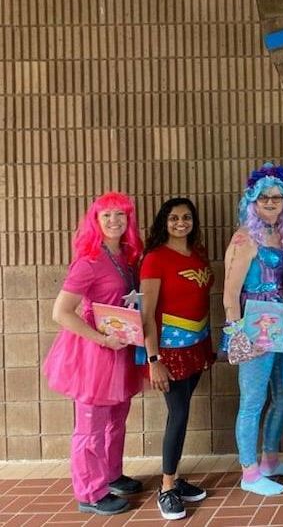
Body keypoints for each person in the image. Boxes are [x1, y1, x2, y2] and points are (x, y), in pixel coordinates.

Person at [42, 192, 145, 516]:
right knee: (90, 425)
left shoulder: (127, 255)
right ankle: (89, 492)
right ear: (95, 221)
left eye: (121, 215)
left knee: (117, 418)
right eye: (107, 216)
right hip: (93, 355)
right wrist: (100, 339)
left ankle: (112, 474)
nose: (114, 221)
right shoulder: (88, 260)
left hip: (120, 349)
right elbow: (61, 312)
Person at [221, 163, 283, 495]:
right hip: (254, 324)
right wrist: (238, 332)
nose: (270, 202)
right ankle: (249, 472)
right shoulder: (245, 238)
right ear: (252, 201)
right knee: (253, 399)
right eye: (263, 197)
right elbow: (229, 293)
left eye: (277, 197)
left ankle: (270, 459)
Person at [139, 198, 217, 519]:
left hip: (197, 344)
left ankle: (175, 479)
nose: (180, 223)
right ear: (164, 222)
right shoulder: (155, 259)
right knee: (179, 413)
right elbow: (146, 315)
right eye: (173, 218)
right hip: (168, 352)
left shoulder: (197, 254)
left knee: (182, 411)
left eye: (186, 217)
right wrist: (153, 358)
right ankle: (167, 487)